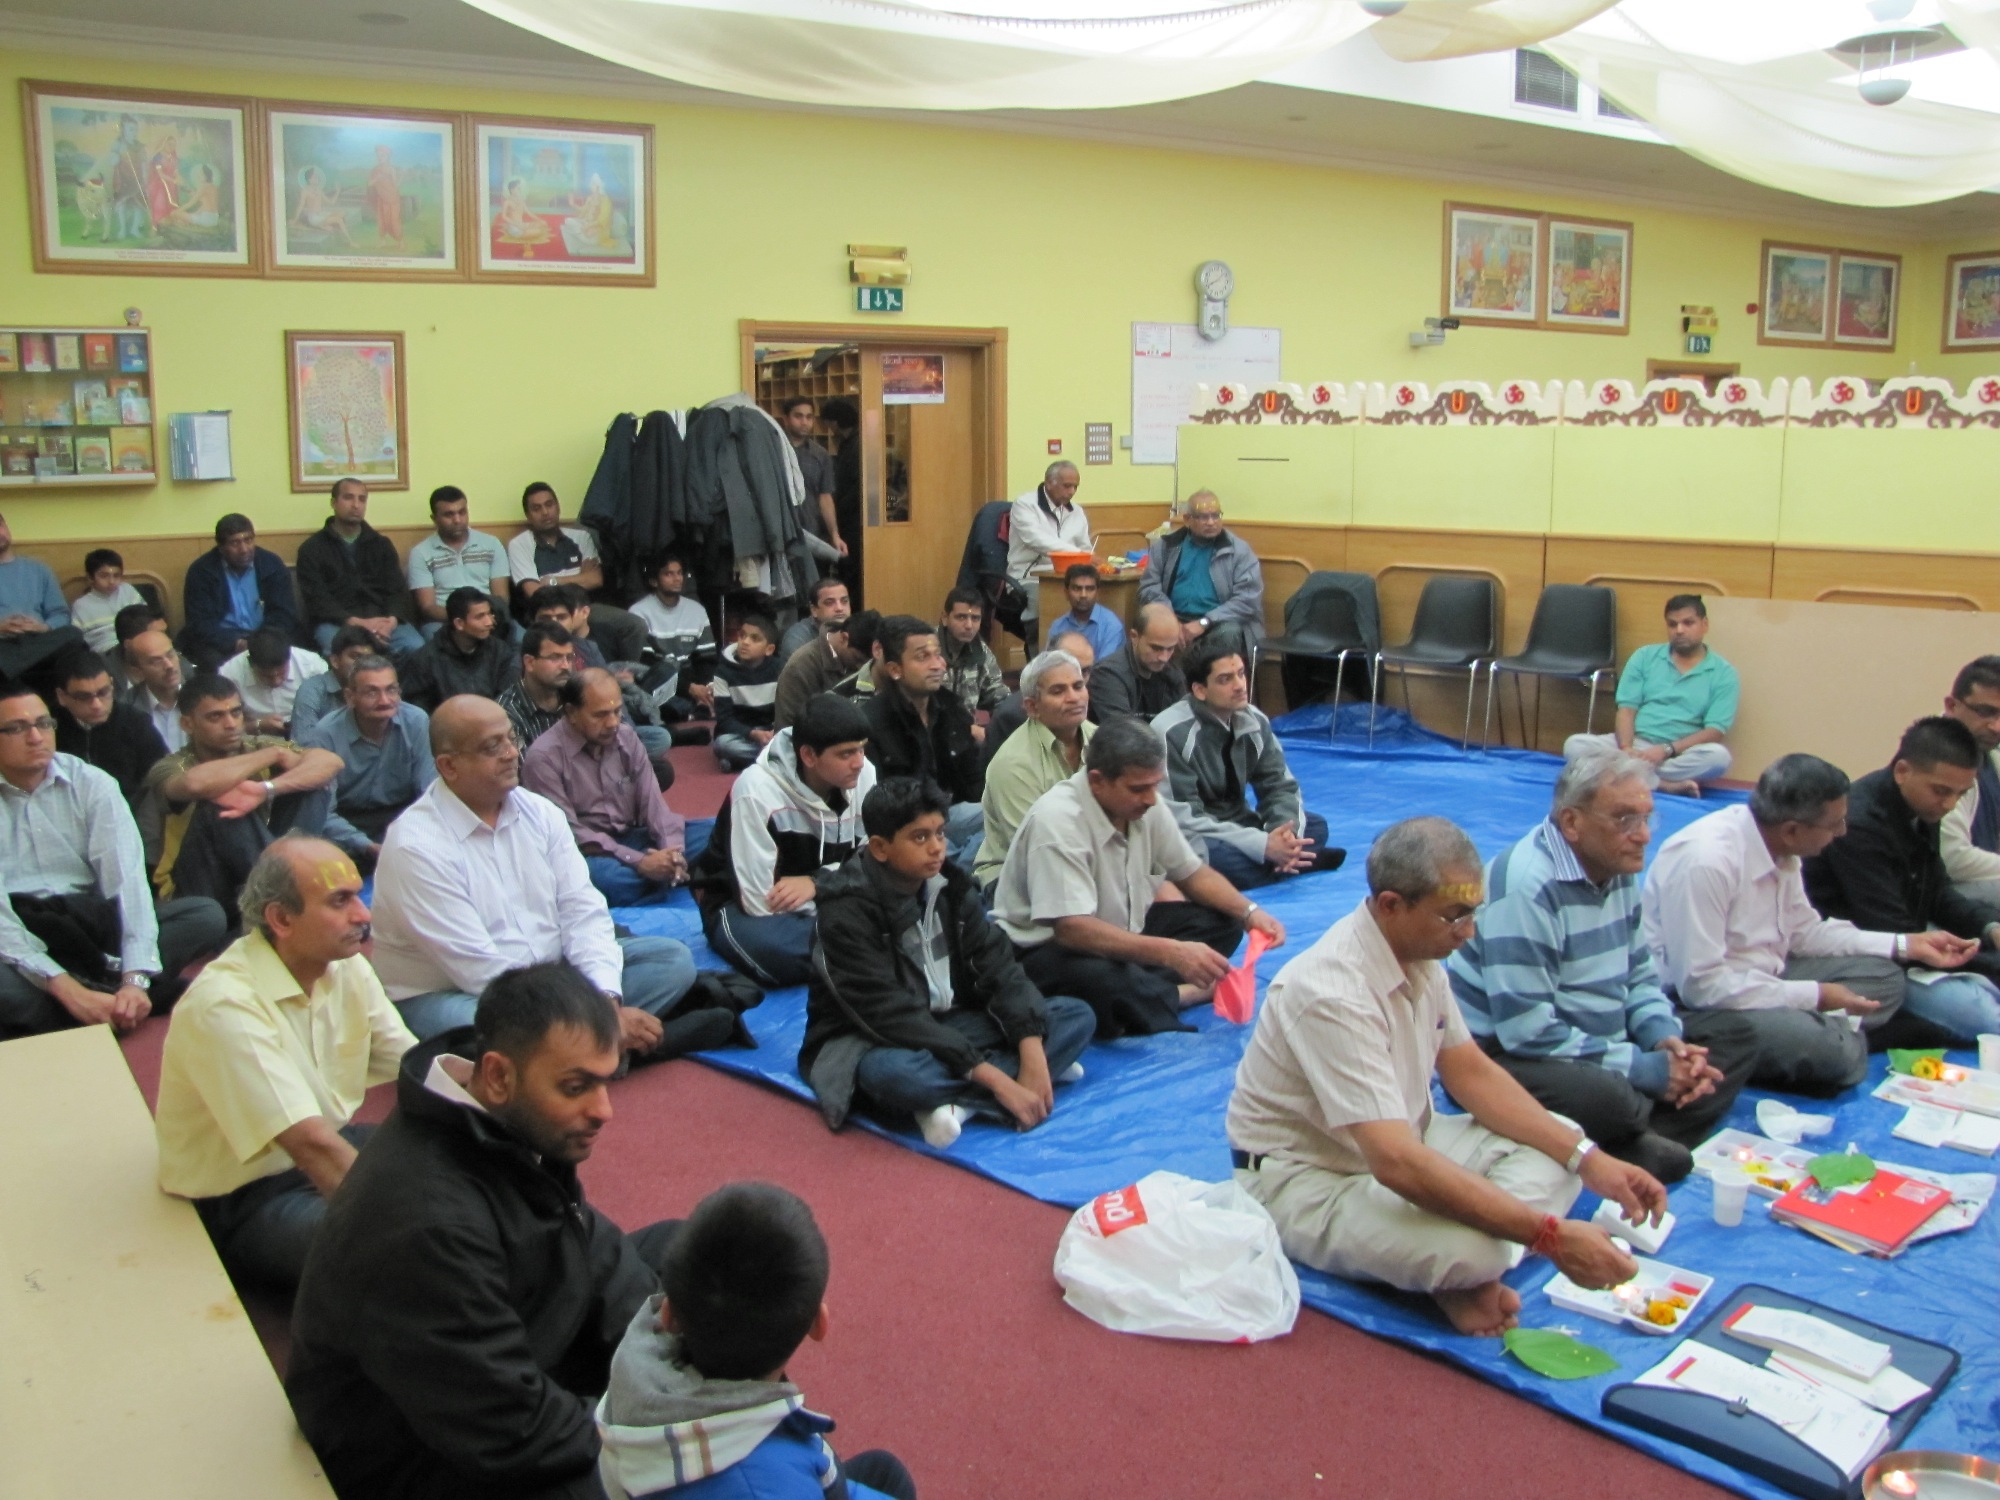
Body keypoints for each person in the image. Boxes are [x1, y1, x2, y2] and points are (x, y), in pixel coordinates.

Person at [1227, 816, 1667, 1337]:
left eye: (1471, 914)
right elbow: (1393, 1163)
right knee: (1473, 1248)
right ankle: (1463, 1266)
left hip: (1407, 1140)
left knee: (1561, 1148)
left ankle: (1456, 1268)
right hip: (1309, 1179)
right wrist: (1550, 1237)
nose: (1469, 933)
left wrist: (1590, 1160)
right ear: (1392, 905)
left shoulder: (1421, 951)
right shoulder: (1329, 991)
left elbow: (1470, 1072)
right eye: (1454, 917)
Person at [288, 962, 681, 1500]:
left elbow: (584, 1235)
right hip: (421, 1453)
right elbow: (511, 1434)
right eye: (576, 1087)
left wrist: (670, 1369)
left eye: (606, 1081)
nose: (604, 1110)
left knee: (694, 1260)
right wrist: (667, 1435)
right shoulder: (427, 1225)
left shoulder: (490, 1118)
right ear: (496, 1075)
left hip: (499, 1353)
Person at [1448, 748, 1758, 1183]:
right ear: (1572, 823)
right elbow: (1527, 1032)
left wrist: (1664, 1041)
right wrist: (1645, 1070)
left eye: (1647, 818)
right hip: (1509, 1054)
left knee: (1736, 1036)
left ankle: (1618, 1143)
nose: (1643, 835)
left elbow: (1639, 973)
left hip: (1598, 1036)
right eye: (1625, 819)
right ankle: (1627, 1133)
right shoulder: (1526, 889)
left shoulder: (1617, 866)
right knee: (1609, 1098)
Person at [155, 838, 413, 1290]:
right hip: (243, 1195)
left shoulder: (344, 966)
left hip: (325, 1144)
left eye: (357, 894)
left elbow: (414, 1068)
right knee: (398, 1252)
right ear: (280, 918)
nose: (363, 914)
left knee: (470, 1171)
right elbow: (309, 1144)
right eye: (340, 901)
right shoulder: (224, 1004)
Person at [368, 696, 696, 1045]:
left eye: (512, 738)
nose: (511, 753)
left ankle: (573, 1048)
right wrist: (597, 1017)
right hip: (462, 992)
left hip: (555, 972)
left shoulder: (539, 812)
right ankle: (595, 1042)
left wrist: (606, 1000)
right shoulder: (416, 846)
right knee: (484, 1027)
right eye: (493, 747)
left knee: (670, 960)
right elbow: (476, 968)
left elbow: (582, 910)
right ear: (449, 766)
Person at [1646, 754, 1966, 1096]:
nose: (1842, 832)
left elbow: (1806, 933)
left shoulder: (1782, 849)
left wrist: (1903, 944)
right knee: (1835, 1054)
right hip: (1699, 1007)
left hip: (1768, 976)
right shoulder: (1707, 863)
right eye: (1835, 824)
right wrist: (1815, 996)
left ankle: (1825, 1031)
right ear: (1793, 830)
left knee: (1884, 977)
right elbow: (1702, 988)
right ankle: (1831, 1038)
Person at [806, 775, 1096, 1147]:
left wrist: (1031, 1049)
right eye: (920, 837)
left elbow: (1000, 968)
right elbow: (887, 1014)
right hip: (871, 1038)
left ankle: (960, 1106)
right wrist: (995, 1077)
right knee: (897, 1077)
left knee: (1075, 1016)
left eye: (941, 833)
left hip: (952, 1020)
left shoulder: (951, 887)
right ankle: (1007, 1086)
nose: (937, 848)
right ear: (880, 847)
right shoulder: (844, 911)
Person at [597, 1182, 917, 1500]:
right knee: (889, 1478)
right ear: (818, 1325)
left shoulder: (636, 1358)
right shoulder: (765, 1487)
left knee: (884, 1471)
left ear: (667, 1314)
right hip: (768, 1476)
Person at [993, 716, 1283, 1037]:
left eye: (1155, 785)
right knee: (1100, 980)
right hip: (1046, 949)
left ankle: (1142, 989)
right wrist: (1172, 952)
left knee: (1222, 921)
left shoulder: (1147, 805)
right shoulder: (1057, 822)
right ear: (1097, 781)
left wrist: (1249, 912)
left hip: (1121, 927)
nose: (1150, 798)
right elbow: (1071, 929)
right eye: (1138, 789)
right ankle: (1179, 994)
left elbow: (1191, 872)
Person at [0, 684, 226, 1040]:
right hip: (17, 928)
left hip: (86, 925)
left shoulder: (91, 784)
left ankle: (104, 1000)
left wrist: (134, 979)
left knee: (204, 916)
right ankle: (91, 1000)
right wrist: (62, 986)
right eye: (16, 728)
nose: (35, 737)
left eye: (44, 724)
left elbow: (128, 884)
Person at [1803, 715, 2000, 1041]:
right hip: (1865, 952)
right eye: (1941, 791)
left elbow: (1937, 891)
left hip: (1909, 938)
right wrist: (1985, 962)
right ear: (1902, 771)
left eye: (1960, 794)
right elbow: (1889, 931)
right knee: (1979, 1012)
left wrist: (1989, 928)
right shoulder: (1859, 824)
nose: (1950, 804)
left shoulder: (1924, 806)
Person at [691, 694, 876, 989]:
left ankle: (852, 945)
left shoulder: (865, 774)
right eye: (845, 754)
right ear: (809, 756)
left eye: (862, 750)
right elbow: (758, 900)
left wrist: (817, 883)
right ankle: (862, 946)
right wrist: (842, 896)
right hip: (747, 906)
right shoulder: (756, 791)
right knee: (777, 953)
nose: (859, 763)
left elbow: (874, 858)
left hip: (823, 894)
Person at [138, 675, 341, 914]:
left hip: (251, 871)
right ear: (187, 724)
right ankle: (290, 891)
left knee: (312, 785)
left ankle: (287, 884)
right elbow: (195, 784)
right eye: (216, 716)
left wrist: (267, 789)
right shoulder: (171, 766)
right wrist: (273, 755)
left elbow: (330, 762)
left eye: (235, 713)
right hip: (197, 884)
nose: (231, 724)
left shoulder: (255, 744)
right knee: (224, 802)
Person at [1154, 637, 1342, 891]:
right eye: (1225, 679)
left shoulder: (1254, 721)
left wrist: (1285, 835)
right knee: (1213, 858)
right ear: (1200, 690)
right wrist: (1262, 845)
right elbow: (1182, 819)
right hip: (1198, 835)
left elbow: (1280, 786)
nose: (1240, 685)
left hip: (1240, 824)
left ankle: (1286, 859)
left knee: (1315, 825)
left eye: (1241, 674)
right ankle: (1299, 863)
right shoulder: (1169, 732)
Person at [521, 668, 689, 907]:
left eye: (617, 712)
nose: (612, 723)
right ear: (571, 713)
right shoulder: (544, 758)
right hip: (589, 853)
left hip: (632, 837)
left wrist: (672, 851)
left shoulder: (626, 737)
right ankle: (673, 877)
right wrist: (639, 861)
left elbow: (654, 805)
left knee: (711, 834)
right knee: (609, 879)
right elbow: (570, 833)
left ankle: (668, 872)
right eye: (600, 715)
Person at [1563, 595, 1737, 798]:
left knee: (1719, 758)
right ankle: (1662, 784)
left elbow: (1715, 731)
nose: (1679, 630)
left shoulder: (1723, 673)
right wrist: (1627, 747)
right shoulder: (1645, 657)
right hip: (1634, 745)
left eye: (1688, 623)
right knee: (1574, 745)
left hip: (1679, 753)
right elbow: (1626, 710)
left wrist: (1666, 750)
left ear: (1704, 625)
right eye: (1673, 624)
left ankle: (1629, 775)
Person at [863, 616, 984, 859]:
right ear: (895, 669)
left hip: (952, 814)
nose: (938, 665)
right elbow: (877, 805)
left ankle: (960, 865)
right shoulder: (871, 721)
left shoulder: (952, 708)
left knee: (1004, 816)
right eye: (922, 657)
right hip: (907, 826)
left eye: (938, 655)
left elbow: (974, 780)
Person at [973, 648, 1092, 894]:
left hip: (1088, 862)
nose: (1074, 697)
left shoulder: (1101, 740)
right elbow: (1036, 852)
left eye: (1078, 686)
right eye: (1058, 691)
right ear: (1031, 706)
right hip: (1016, 875)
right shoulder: (1013, 764)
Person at [298, 655, 435, 869]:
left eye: (391, 690)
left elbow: (429, 793)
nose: (384, 700)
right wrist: (366, 845)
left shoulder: (416, 721)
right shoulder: (326, 734)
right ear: (350, 697)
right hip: (346, 823)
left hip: (402, 819)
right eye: (372, 692)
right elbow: (323, 812)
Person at [295, 478, 423, 657]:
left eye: (362, 499)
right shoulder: (312, 548)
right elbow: (317, 599)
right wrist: (356, 622)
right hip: (337, 622)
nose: (356, 505)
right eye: (348, 498)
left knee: (416, 648)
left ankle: (392, 686)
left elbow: (398, 591)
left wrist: (391, 621)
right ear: (334, 503)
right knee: (339, 654)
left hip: (383, 620)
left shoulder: (381, 544)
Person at [1138, 490, 1265, 655]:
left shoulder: (1239, 551)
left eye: (1216, 516)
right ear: (1187, 519)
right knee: (1147, 625)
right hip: (1173, 617)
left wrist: (1205, 622)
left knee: (1229, 633)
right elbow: (1148, 587)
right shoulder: (1166, 546)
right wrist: (1169, 618)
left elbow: (1248, 600)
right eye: (1203, 517)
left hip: (1219, 622)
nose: (1211, 522)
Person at [179, 515, 299, 668]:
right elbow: (200, 623)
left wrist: (261, 640)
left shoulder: (271, 564)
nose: (244, 549)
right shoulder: (201, 571)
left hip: (267, 635)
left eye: (248, 540)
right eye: (235, 543)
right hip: (221, 642)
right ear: (221, 547)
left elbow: (284, 613)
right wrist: (235, 642)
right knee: (211, 662)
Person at [53, 649, 166, 805]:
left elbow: (161, 776)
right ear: (62, 697)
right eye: (84, 697)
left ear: (112, 685)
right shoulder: (49, 730)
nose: (96, 705)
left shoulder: (136, 722)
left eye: (103, 692)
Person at [407, 484, 511, 639]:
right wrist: (465, 619)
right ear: (434, 519)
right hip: (444, 621)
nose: (457, 520)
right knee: (432, 641)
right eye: (449, 515)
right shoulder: (421, 553)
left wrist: (481, 617)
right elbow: (427, 607)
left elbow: (502, 597)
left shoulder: (491, 544)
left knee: (522, 640)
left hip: (489, 618)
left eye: (462, 512)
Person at [1938, 655, 2000, 911]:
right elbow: (1952, 858)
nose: (1997, 726)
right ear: (1952, 706)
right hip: (1944, 891)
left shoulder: (1988, 751)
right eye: (1986, 712)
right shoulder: (1937, 758)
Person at [400, 586, 521, 711]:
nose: (489, 622)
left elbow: (508, 699)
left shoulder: (500, 651)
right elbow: (418, 708)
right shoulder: (426, 659)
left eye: (490, 614)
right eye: (480, 616)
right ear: (459, 623)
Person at [1005, 462, 1090, 640]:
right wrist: (1077, 554)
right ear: (1049, 482)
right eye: (1067, 486)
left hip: (1066, 576)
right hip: (1029, 577)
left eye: (1076, 486)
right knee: (1042, 610)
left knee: (1093, 601)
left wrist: (1090, 560)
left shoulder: (1077, 512)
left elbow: (1085, 548)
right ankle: (1039, 663)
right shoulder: (1025, 505)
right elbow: (1036, 540)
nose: (1072, 491)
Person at [628, 555, 717, 722]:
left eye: (679, 573)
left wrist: (706, 687)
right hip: (659, 682)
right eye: (669, 574)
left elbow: (707, 659)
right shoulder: (639, 612)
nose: (677, 579)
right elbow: (646, 665)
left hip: (691, 679)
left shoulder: (696, 610)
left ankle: (697, 708)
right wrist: (688, 688)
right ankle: (688, 712)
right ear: (654, 581)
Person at [0, 510, 82, 683]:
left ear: (7, 528)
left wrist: (43, 627)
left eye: (0, 526)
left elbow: (61, 614)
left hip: (39, 641)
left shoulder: (39, 569)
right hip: (2, 643)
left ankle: (9, 670)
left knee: (73, 633)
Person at [509, 480, 604, 611]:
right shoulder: (520, 544)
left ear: (558, 507)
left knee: (631, 624)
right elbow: (535, 593)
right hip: (548, 613)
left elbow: (596, 579)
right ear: (528, 515)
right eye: (536, 508)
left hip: (586, 610)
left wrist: (552, 581)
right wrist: (581, 578)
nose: (545, 512)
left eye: (549, 505)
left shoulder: (581, 537)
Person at [218, 627, 327, 735]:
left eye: (282, 673)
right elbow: (223, 727)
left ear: (289, 658)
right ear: (251, 664)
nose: (276, 682)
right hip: (255, 737)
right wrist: (258, 725)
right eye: (266, 676)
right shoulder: (229, 675)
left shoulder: (313, 666)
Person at [1090, 603, 1187, 723]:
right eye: (1156, 648)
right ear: (1134, 637)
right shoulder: (1107, 675)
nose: (1164, 657)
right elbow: (1123, 732)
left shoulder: (1173, 674)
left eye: (1170, 649)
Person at [711, 616, 782, 772]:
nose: (745, 642)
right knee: (723, 745)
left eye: (755, 639)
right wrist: (753, 733)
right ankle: (775, 758)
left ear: (769, 649)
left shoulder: (781, 670)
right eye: (742, 635)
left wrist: (773, 731)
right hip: (741, 734)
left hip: (771, 731)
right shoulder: (723, 672)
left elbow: (786, 710)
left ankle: (743, 761)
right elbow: (724, 719)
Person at [774, 608, 865, 731]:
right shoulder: (800, 667)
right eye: (857, 659)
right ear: (844, 638)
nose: (861, 667)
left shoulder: (857, 661)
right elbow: (788, 729)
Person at [780, 395, 845, 561]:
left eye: (809, 417)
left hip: (813, 532)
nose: (804, 422)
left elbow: (825, 498)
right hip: (781, 533)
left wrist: (834, 535)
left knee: (815, 583)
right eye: (798, 416)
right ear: (786, 419)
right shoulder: (773, 451)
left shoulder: (820, 455)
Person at [289, 624, 380, 735]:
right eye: (355, 657)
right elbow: (304, 741)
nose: (362, 664)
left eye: (368, 659)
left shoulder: (379, 690)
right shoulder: (312, 691)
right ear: (335, 661)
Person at [502, 623, 579, 751]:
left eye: (569, 657)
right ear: (529, 662)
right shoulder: (506, 713)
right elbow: (523, 768)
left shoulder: (578, 697)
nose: (566, 666)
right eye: (555, 658)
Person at [939, 587, 1005, 728]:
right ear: (945, 618)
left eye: (975, 618)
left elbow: (999, 696)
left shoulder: (981, 652)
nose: (969, 625)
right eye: (961, 617)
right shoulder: (928, 649)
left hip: (967, 731)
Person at [121, 627, 187, 753]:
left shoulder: (202, 696)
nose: (169, 665)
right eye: (156, 661)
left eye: (170, 655)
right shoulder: (128, 710)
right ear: (138, 671)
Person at [1044, 564, 1124, 664]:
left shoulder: (1112, 627)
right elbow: (1048, 667)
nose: (1083, 595)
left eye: (1090, 589)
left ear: (1097, 593)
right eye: (1077, 589)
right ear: (1066, 592)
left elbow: (1105, 672)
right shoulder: (1057, 626)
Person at [70, 547, 143, 656]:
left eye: (116, 575)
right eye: (104, 576)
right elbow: (78, 641)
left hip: (137, 644)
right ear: (90, 578)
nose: (112, 581)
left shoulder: (128, 591)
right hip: (105, 652)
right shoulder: (81, 605)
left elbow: (146, 620)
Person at [778, 576, 848, 663]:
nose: (839, 608)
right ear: (814, 610)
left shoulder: (855, 629)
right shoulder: (797, 639)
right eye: (829, 603)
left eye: (844, 601)